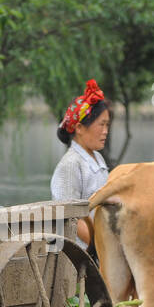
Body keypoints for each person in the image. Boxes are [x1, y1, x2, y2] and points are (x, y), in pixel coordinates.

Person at [50, 78, 110, 247]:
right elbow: (69, 217)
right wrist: (98, 247)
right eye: (101, 125)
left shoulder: (98, 158)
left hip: (102, 244)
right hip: (79, 252)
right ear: (79, 128)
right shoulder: (70, 164)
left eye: (107, 125)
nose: (105, 131)